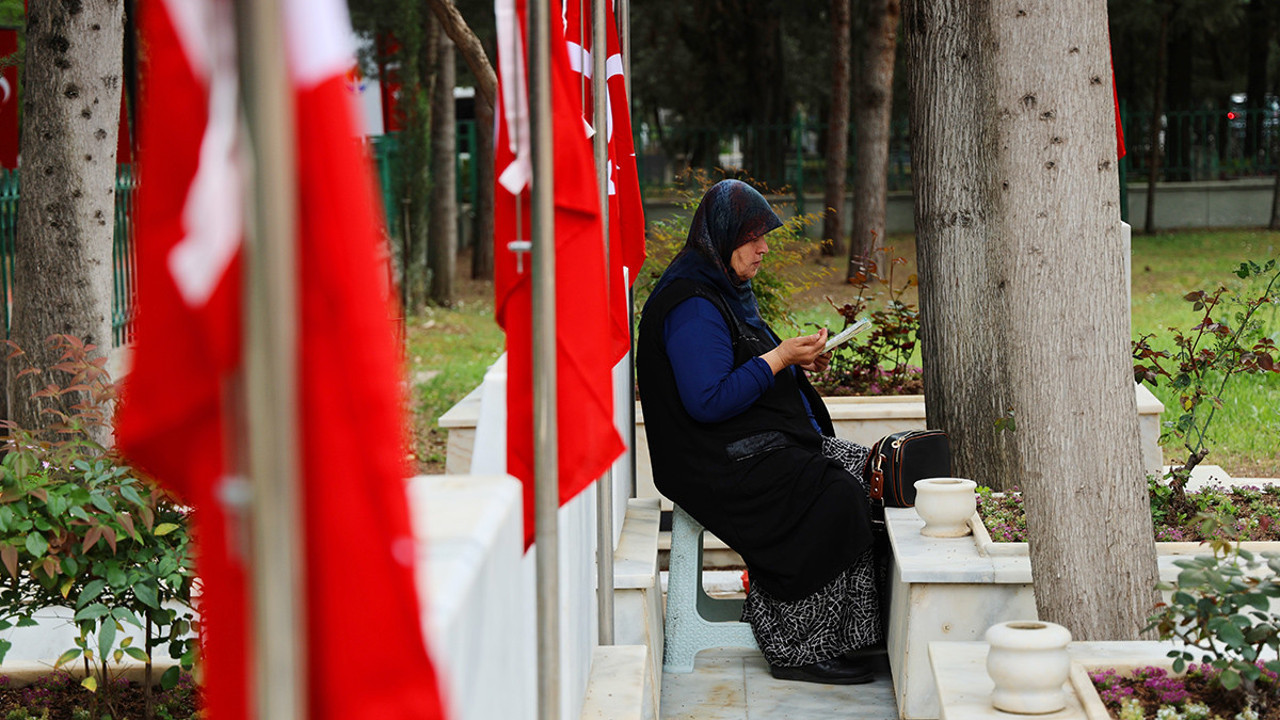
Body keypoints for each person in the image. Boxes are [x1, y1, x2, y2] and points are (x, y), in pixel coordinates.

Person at [637, 179, 882, 685]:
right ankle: (795, 645)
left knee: (871, 472)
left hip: (746, 446)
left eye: (765, 236)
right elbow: (706, 401)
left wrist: (796, 362)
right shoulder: (693, 302)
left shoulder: (723, 291)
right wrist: (779, 358)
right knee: (834, 492)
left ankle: (846, 634)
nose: (764, 247)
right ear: (721, 237)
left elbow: (743, 367)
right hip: (710, 461)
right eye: (753, 237)